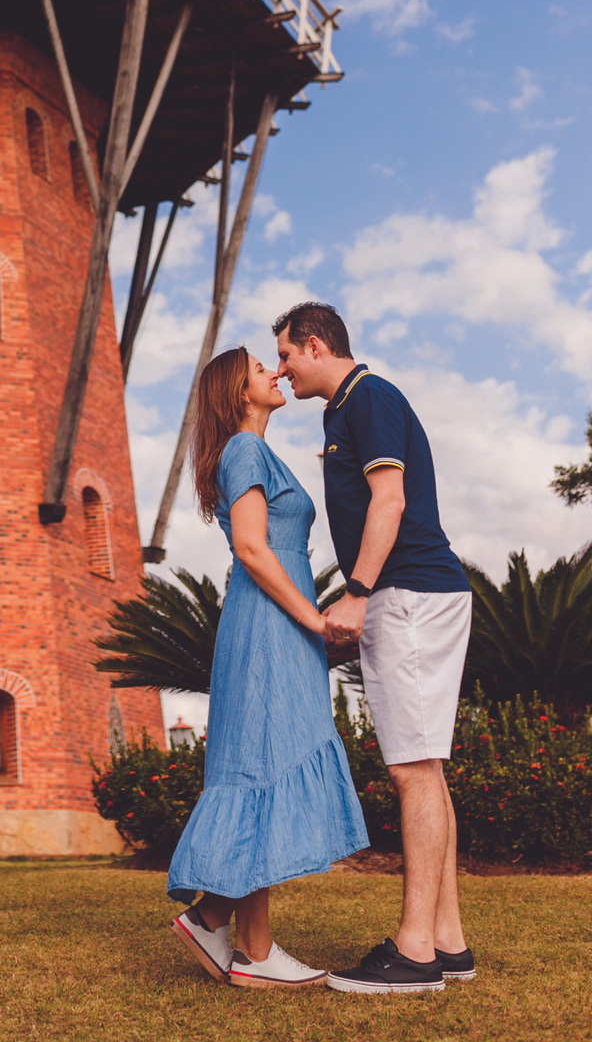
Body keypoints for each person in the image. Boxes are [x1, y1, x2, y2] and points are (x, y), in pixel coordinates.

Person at [273, 301, 475, 995]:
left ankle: (414, 953)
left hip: (409, 593)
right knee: (427, 768)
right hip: (417, 593)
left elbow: (388, 501)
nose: (282, 371)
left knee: (412, 772)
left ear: (317, 344)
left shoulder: (370, 397)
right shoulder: (343, 412)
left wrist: (357, 590)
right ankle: (446, 941)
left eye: (288, 356)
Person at [167, 346, 368, 990]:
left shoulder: (255, 451)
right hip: (270, 626)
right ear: (238, 391)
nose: (275, 373)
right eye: (262, 367)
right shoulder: (243, 451)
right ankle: (250, 946)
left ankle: (224, 924)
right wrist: (313, 621)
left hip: (278, 624)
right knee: (263, 765)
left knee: (268, 766)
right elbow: (253, 548)